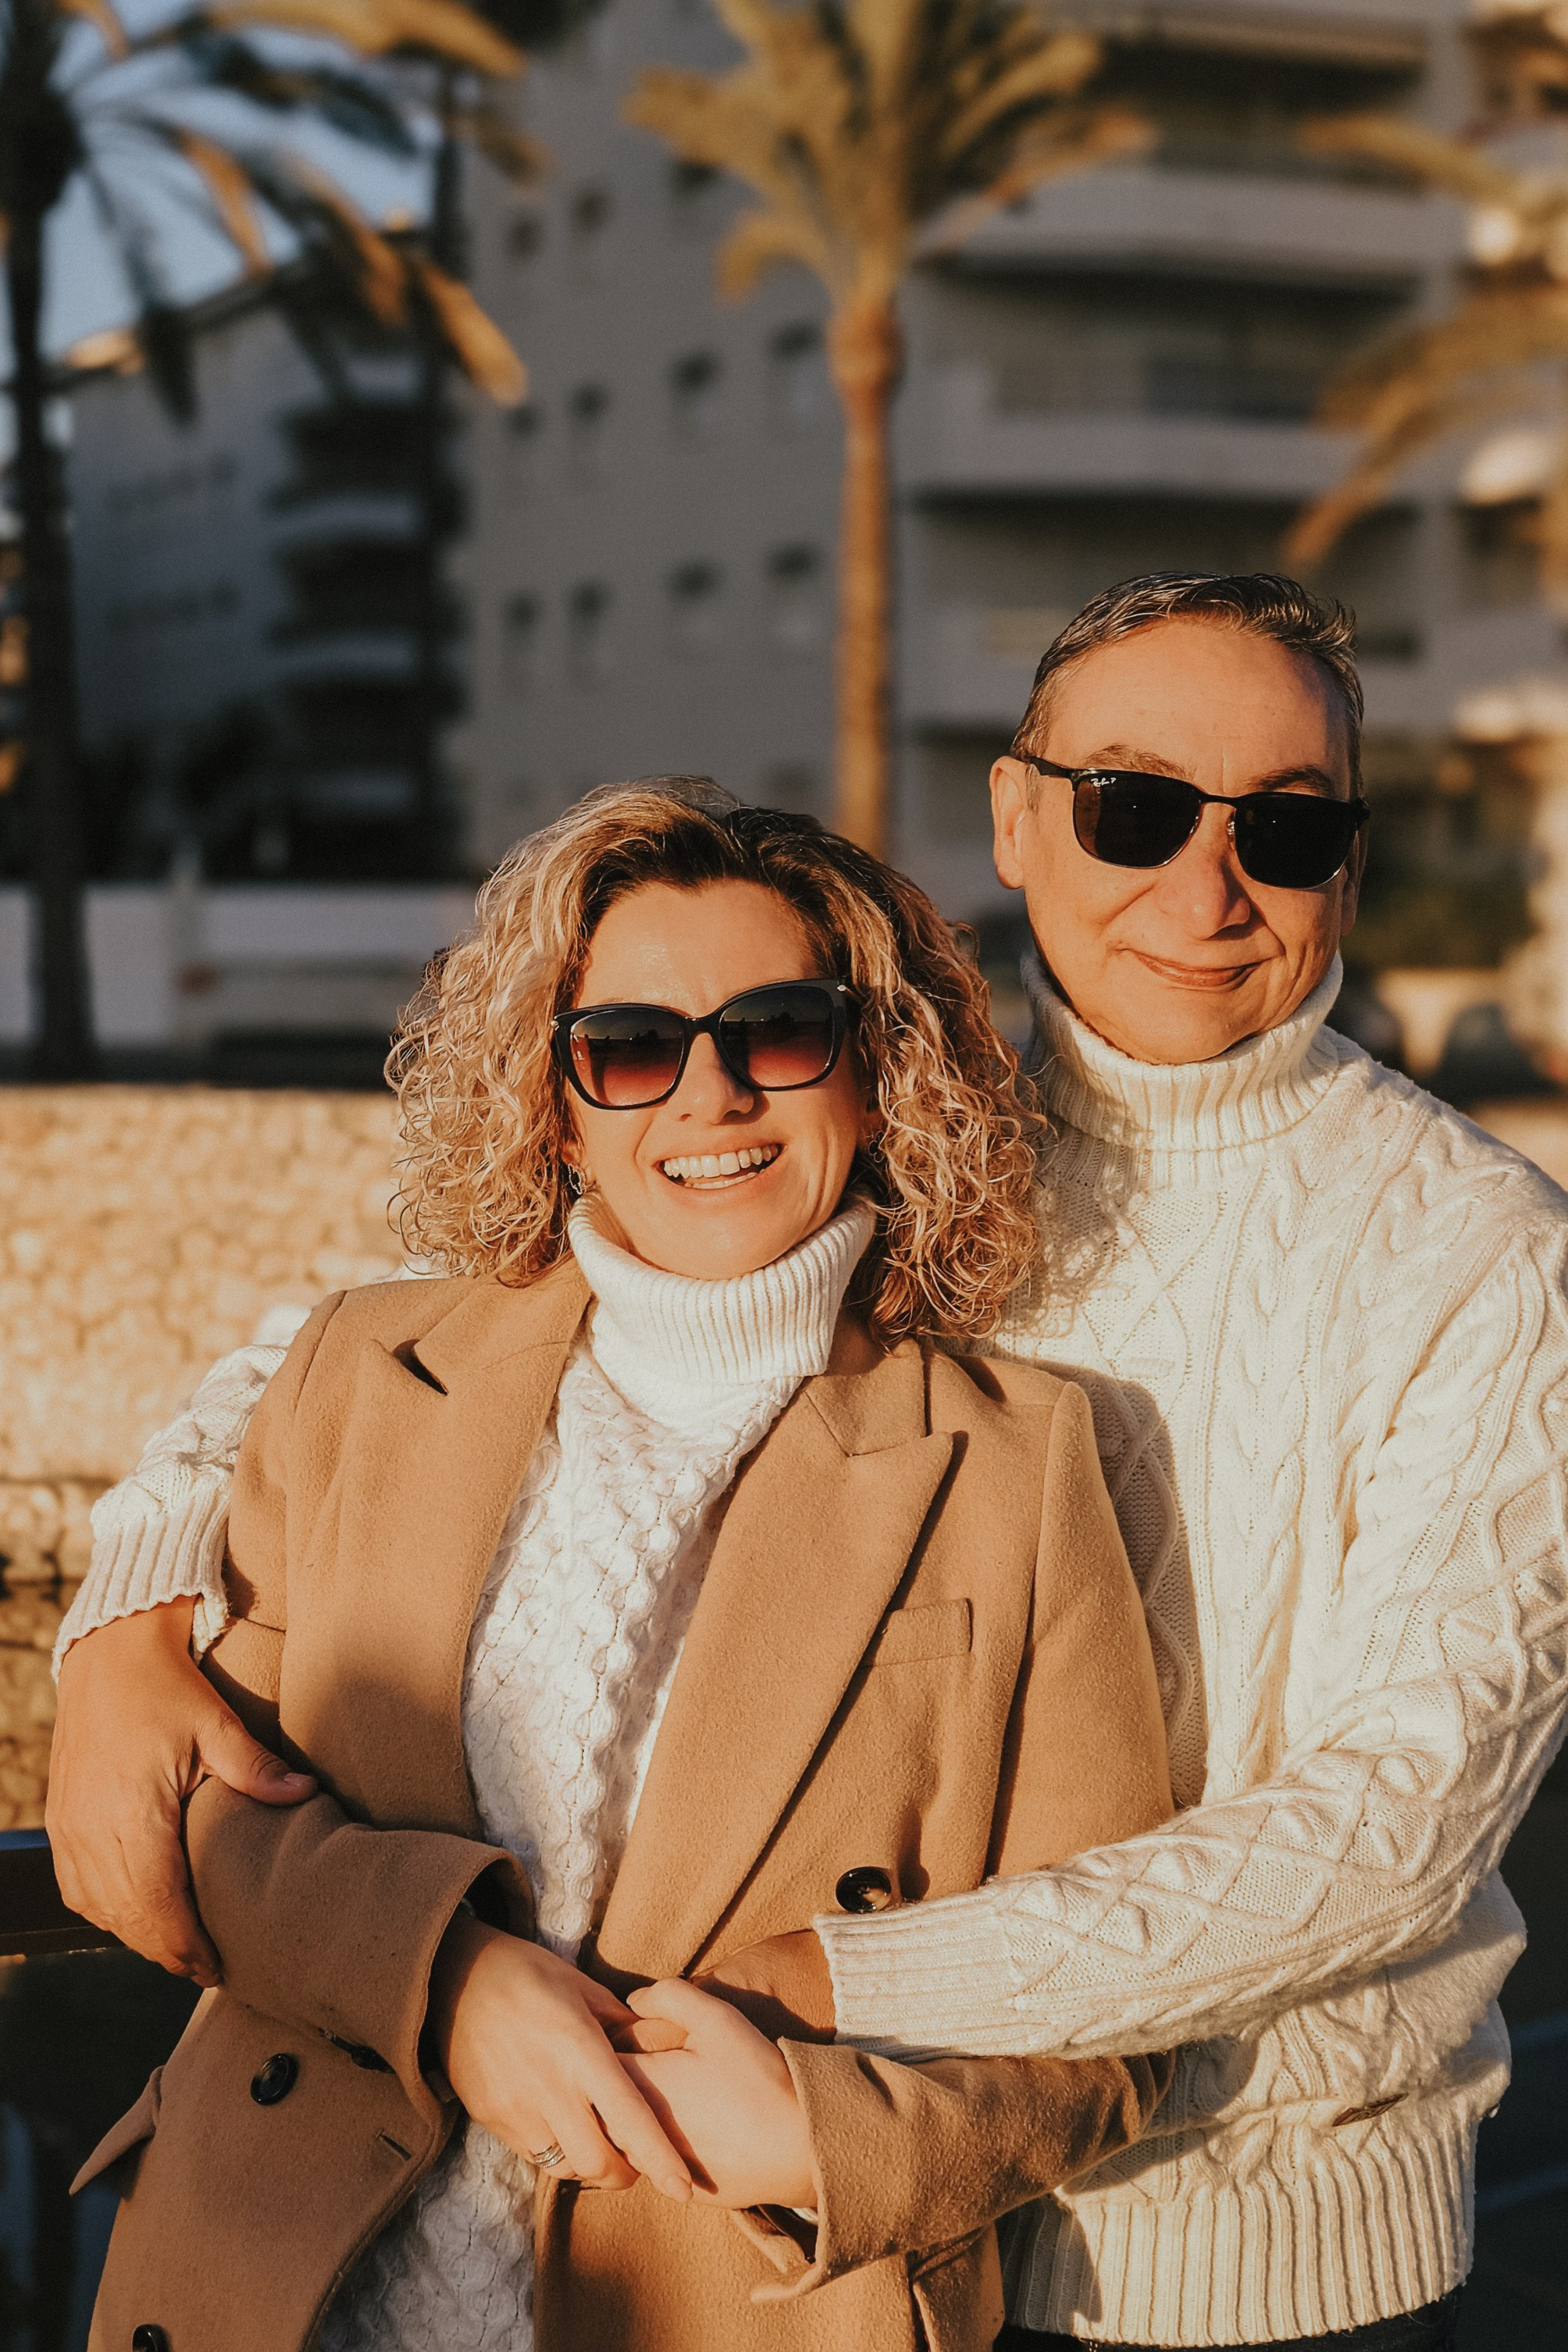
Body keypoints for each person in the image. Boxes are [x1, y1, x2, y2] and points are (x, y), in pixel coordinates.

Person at [51, 572, 1568, 2350]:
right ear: (1016, 817)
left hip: (1214, 2240)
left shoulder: (1482, 1251)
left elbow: (1390, 1826)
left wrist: (824, 1985)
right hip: (822, 2237)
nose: (1201, 890)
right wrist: (130, 1614)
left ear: (1347, 858)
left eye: (1286, 829)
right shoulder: (880, 1093)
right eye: (1135, 809)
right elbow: (399, 1342)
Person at [67, 784, 1174, 2352]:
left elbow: (1103, 2008)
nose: (707, 1094)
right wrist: (443, 1984)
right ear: (557, 1098)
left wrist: (823, 2140)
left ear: (876, 1067)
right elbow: (216, 1817)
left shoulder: (1018, 1461)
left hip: (739, 2292)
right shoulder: (355, 1370)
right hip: (284, 2280)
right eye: (634, 1047)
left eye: (777, 1028)